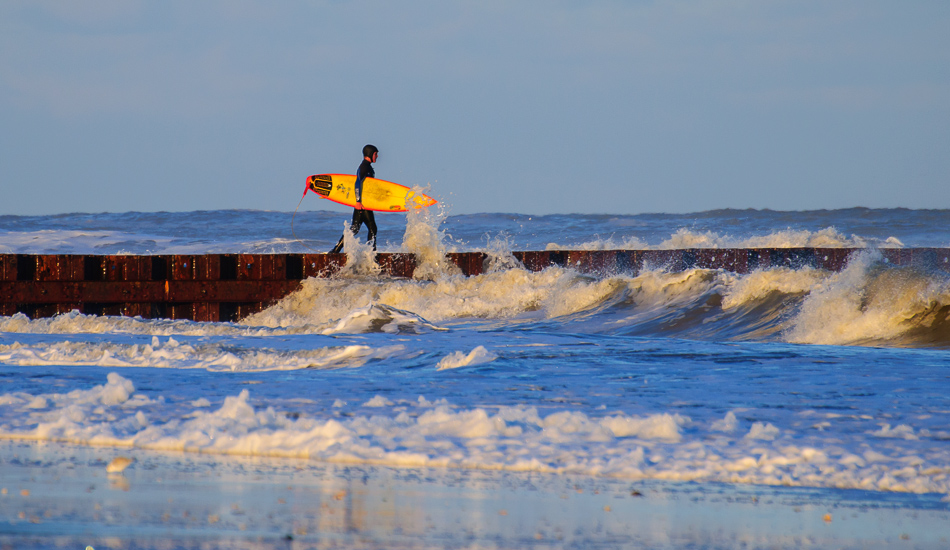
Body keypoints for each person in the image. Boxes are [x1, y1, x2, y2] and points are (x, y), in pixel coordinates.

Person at [330, 144, 379, 253]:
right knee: (372, 228)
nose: (377, 156)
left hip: (364, 202)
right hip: (362, 203)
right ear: (370, 154)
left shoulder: (368, 166)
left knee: (354, 229)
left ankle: (336, 250)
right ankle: (372, 252)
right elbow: (357, 183)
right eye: (375, 154)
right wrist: (358, 201)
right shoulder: (364, 167)